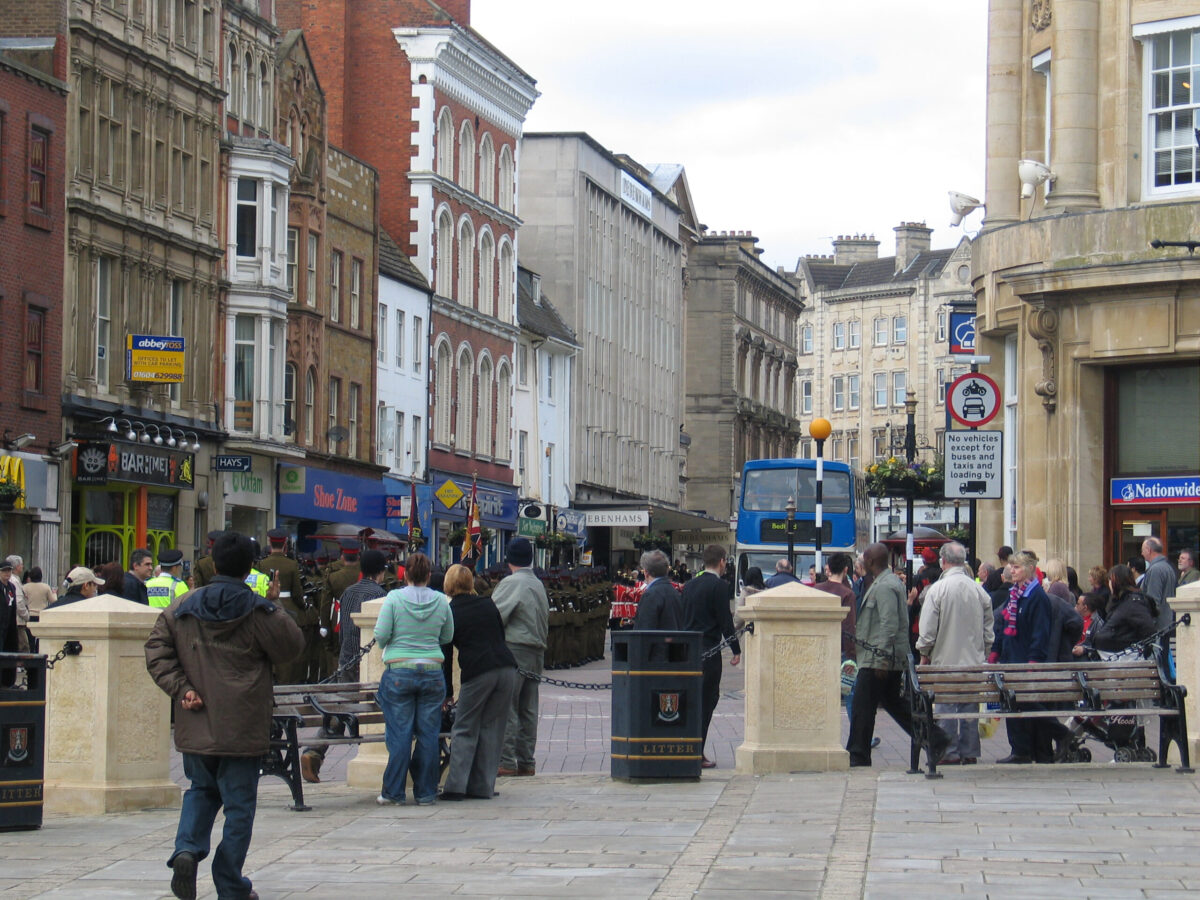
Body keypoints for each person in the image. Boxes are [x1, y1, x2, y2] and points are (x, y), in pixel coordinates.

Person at [144, 532, 304, 900]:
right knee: (239, 808)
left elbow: (156, 650)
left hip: (196, 719)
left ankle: (186, 849)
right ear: (251, 568)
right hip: (243, 724)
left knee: (200, 791)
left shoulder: (182, 606)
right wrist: (274, 604)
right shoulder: (259, 610)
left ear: (212, 564)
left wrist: (182, 687)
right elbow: (291, 648)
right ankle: (230, 883)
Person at [299, 549, 390, 785]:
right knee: (378, 709)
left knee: (341, 710)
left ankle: (314, 751)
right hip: (367, 661)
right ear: (380, 572)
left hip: (346, 657)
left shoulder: (349, 592)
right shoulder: (379, 593)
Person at [373, 552, 453, 806]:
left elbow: (382, 635)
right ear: (429, 576)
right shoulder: (442, 601)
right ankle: (426, 792)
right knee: (429, 734)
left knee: (400, 734)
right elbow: (447, 635)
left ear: (405, 574)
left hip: (399, 670)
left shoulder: (394, 598)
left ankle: (394, 792)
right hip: (432, 671)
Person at [438, 564, 518, 802]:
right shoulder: (488, 604)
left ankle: (455, 787)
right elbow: (500, 637)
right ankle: (482, 786)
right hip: (506, 668)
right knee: (491, 728)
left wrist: (448, 693)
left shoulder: (450, 612)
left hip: (479, 671)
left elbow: (446, 654)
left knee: (464, 726)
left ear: (449, 585)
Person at [846, 542, 930, 767]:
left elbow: (889, 624)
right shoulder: (884, 582)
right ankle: (936, 740)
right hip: (880, 656)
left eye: (864, 558)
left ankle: (858, 754)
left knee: (863, 707)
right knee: (894, 705)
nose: (862, 562)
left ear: (871, 562)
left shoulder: (884, 586)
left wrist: (881, 659)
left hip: (879, 659)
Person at [915, 542, 994, 765]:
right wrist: (984, 651)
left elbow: (928, 628)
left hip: (944, 658)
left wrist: (924, 652)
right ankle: (969, 752)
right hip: (973, 659)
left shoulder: (938, 590)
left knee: (945, 707)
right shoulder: (978, 589)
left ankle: (948, 751)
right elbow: (989, 628)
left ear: (943, 561)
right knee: (969, 706)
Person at [492, 537, 549, 777]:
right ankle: (526, 760)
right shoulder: (537, 583)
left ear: (509, 560)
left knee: (508, 707)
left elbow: (494, 616)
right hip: (536, 651)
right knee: (528, 708)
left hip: (514, 649)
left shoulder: (512, 583)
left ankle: (506, 760)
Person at [681, 544, 741, 769]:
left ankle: (688, 748)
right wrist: (736, 650)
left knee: (690, 702)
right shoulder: (719, 586)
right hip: (709, 650)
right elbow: (725, 620)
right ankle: (697, 751)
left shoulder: (689, 585)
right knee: (707, 701)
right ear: (723, 561)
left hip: (687, 650)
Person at [989, 551, 1052, 764]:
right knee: (1012, 704)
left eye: (1016, 567)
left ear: (1029, 569)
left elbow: (1040, 633)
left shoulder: (1036, 597)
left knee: (1027, 705)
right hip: (1010, 658)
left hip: (1025, 660)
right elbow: (1003, 625)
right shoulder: (1014, 594)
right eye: (1011, 566)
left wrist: (1033, 662)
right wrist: (996, 652)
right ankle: (1020, 749)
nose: (1011, 570)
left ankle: (1041, 744)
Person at [1093, 564, 1158, 653]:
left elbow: (1148, 630)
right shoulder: (1119, 601)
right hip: (1114, 655)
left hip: (1127, 656)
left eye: (1110, 580)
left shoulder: (1133, 602)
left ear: (1117, 582)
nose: (1109, 584)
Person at [814, 552, 857, 661]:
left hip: (817, 644)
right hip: (839, 647)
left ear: (828, 568)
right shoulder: (847, 594)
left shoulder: (816, 589)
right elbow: (849, 626)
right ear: (845, 570)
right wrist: (851, 655)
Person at [632, 549, 682, 631]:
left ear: (646, 572)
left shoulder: (650, 595)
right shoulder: (675, 592)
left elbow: (643, 631)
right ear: (667, 570)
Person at [1141, 538, 1176, 631]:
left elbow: (1153, 601)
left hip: (1158, 628)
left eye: (1143, 550)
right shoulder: (1168, 567)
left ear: (1149, 550)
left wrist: (1149, 624)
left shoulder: (1156, 570)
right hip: (1167, 623)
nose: (1142, 553)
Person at [3, 556, 30, 654]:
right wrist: (27, 615)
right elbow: (18, 602)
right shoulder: (13, 581)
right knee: (23, 646)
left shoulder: (14, 580)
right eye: (21, 564)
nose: (23, 566)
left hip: (15, 620)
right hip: (17, 620)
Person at [0, 561, 19, 687]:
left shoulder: (11, 587)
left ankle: (8, 682)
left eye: (9, 570)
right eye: (4, 571)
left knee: (11, 653)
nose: (7, 573)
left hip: (10, 627)